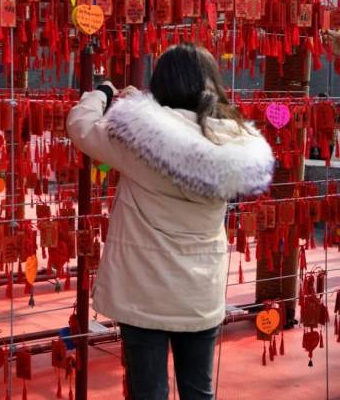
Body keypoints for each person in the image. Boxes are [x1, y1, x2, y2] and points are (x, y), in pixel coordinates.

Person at [66, 43, 275, 400]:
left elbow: (81, 126)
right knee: (198, 391)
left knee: (148, 392)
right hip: (199, 291)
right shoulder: (231, 143)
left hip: (144, 293)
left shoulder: (137, 139)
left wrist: (102, 93)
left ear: (160, 84)